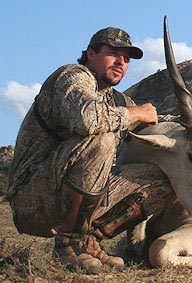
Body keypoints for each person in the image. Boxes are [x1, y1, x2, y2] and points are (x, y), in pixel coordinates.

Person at [7, 27, 175, 274]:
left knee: (161, 181)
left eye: (127, 59)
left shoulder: (115, 101)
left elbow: (155, 121)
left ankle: (90, 241)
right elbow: (88, 119)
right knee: (102, 138)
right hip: (33, 198)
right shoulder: (71, 77)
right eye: (114, 53)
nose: (121, 62)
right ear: (90, 54)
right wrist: (136, 113)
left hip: (74, 196)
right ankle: (69, 245)